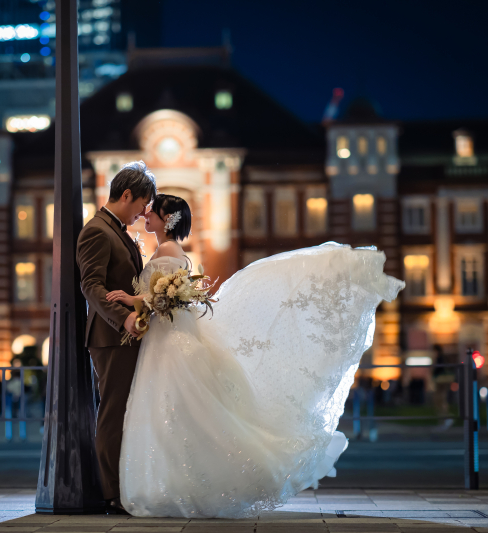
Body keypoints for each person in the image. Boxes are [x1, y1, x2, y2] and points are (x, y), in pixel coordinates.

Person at [104, 191, 404, 518]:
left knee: (172, 408)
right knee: (181, 410)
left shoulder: (165, 249)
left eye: (153, 212)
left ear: (168, 220)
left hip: (168, 342)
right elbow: (167, 296)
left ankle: (174, 485)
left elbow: (160, 299)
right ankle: (183, 483)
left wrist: (131, 300)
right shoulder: (173, 250)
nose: (146, 215)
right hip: (170, 337)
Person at [76, 160, 156, 515]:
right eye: (142, 205)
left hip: (124, 335)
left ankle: (122, 486)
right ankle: (111, 492)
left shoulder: (115, 229)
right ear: (126, 195)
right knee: (113, 412)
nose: (143, 213)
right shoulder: (97, 230)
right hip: (111, 337)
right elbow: (91, 285)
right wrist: (124, 319)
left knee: (124, 411)